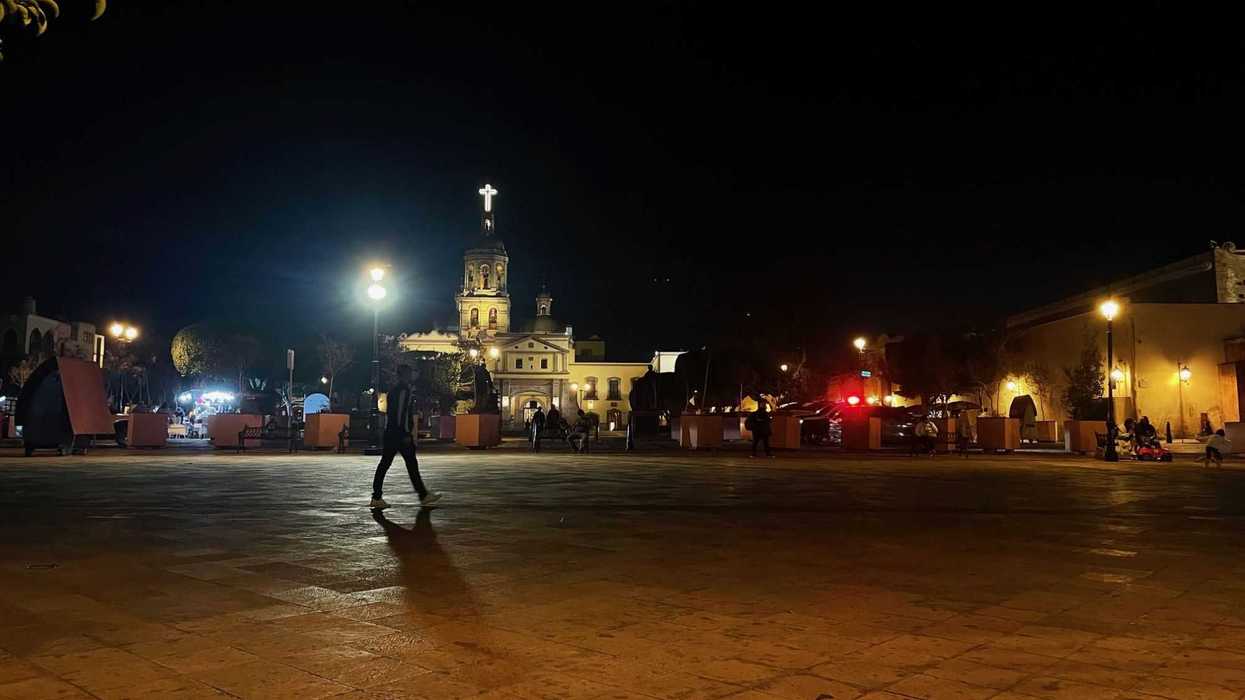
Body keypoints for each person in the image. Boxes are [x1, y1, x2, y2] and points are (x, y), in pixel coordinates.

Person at [369, 365, 442, 510]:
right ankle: (422, 495)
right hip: (399, 434)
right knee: (408, 464)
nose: (412, 375)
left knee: (388, 464)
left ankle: (377, 497)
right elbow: (400, 415)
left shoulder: (395, 391)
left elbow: (394, 414)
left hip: (391, 432)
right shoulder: (404, 391)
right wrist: (405, 434)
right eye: (410, 373)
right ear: (404, 375)